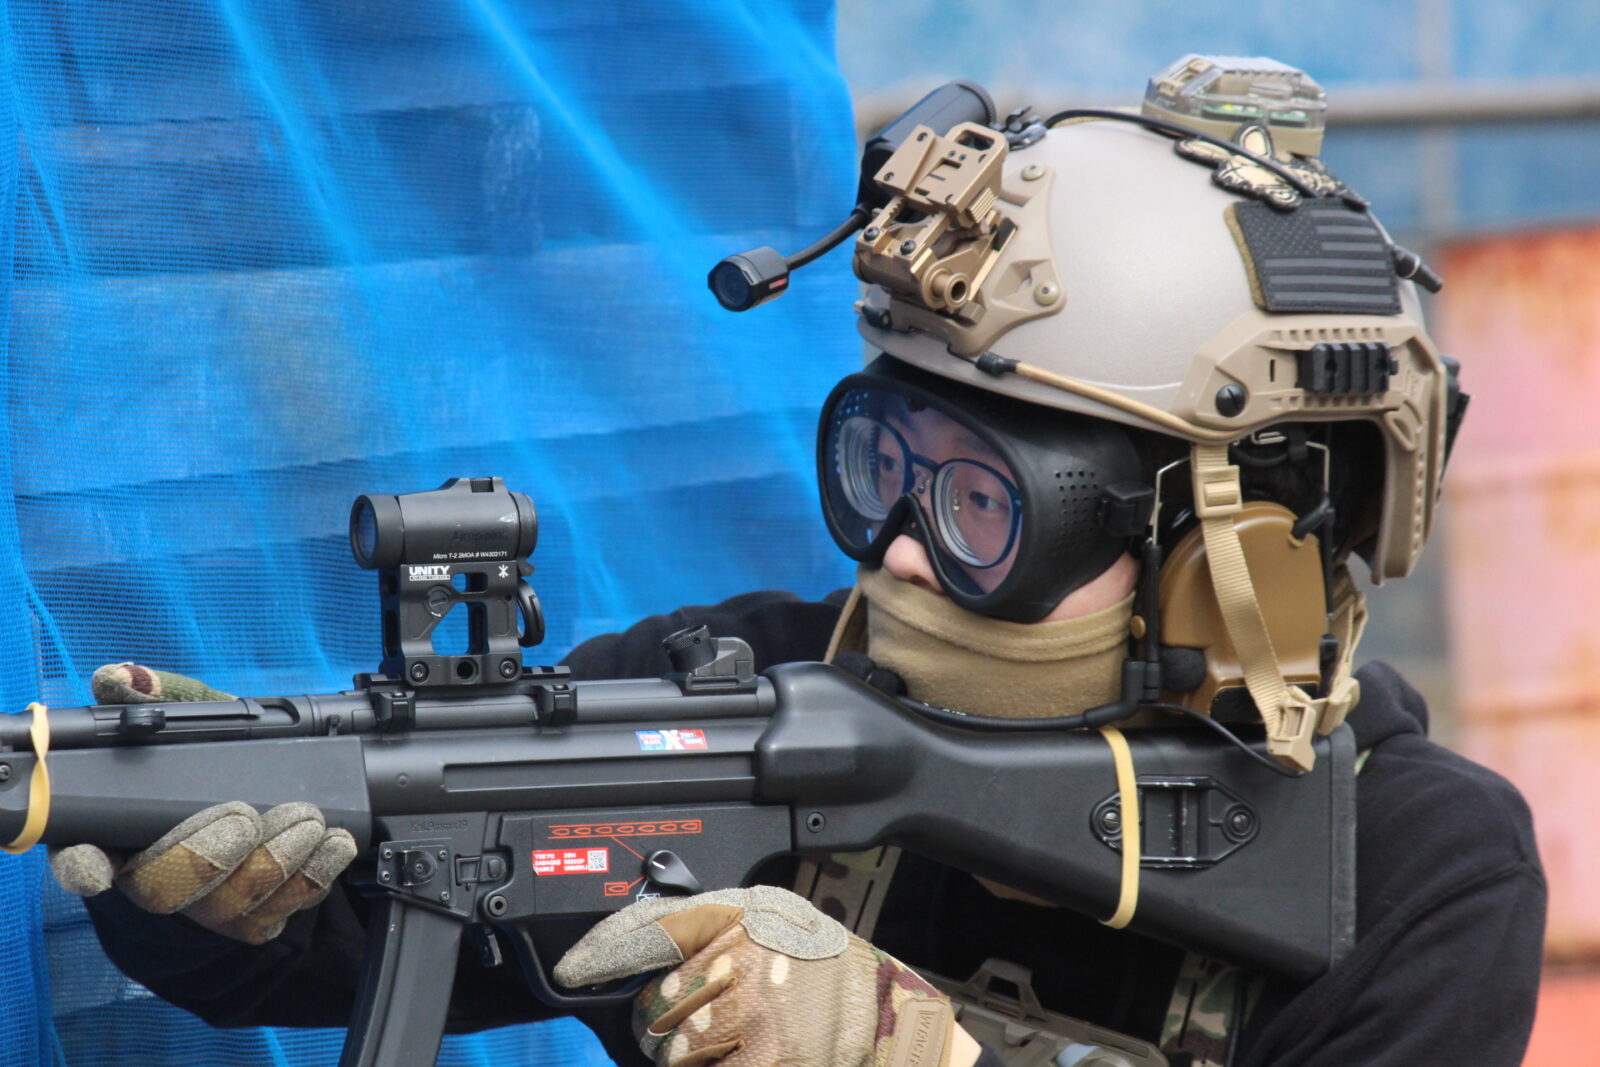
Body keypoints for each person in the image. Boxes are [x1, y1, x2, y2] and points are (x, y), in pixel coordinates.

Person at [54, 57, 1544, 1066]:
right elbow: (339, 954)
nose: (899, 551)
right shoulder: (740, 698)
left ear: (1219, 555)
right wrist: (205, 864)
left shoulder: (1411, 871)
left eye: (983, 506)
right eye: (884, 464)